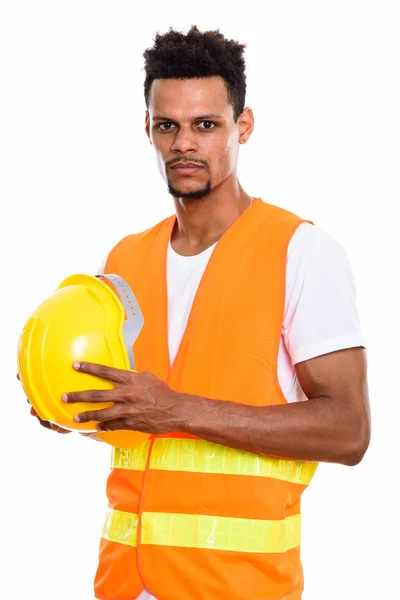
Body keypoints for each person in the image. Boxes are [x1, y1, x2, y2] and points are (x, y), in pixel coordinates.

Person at [28, 26, 371, 600]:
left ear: (243, 126)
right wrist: (72, 407)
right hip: (122, 584)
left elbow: (350, 432)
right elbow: (143, 426)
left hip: (238, 588)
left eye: (205, 125)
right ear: (149, 130)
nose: (184, 143)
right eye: (168, 125)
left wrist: (176, 409)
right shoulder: (125, 257)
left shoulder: (301, 251)